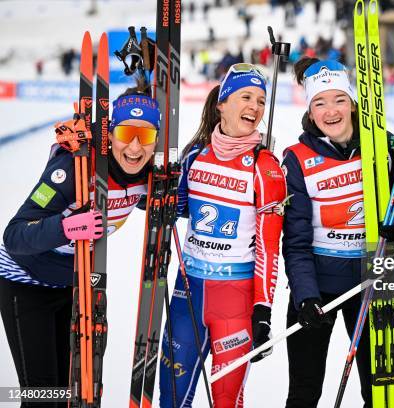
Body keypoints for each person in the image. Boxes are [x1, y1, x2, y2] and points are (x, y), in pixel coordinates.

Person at [0, 79, 159, 403]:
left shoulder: (145, 178)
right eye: (127, 134)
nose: (135, 147)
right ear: (111, 133)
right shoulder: (73, 170)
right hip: (25, 280)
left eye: (146, 136)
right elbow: (15, 235)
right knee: (42, 394)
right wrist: (66, 226)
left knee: (69, 392)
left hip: (74, 286)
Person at [159, 63, 287, 408]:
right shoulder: (194, 157)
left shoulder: (266, 167)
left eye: (261, 101)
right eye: (246, 96)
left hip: (236, 301)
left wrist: (262, 309)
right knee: (171, 397)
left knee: (227, 400)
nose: (256, 107)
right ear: (222, 103)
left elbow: (269, 248)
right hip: (188, 294)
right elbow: (174, 209)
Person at [282, 57, 373, 408]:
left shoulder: (380, 147)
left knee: (380, 391)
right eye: (319, 102)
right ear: (309, 110)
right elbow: (296, 239)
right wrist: (305, 296)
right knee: (304, 393)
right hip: (317, 289)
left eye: (338, 100)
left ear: (352, 103)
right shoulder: (297, 158)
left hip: (371, 282)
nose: (330, 111)